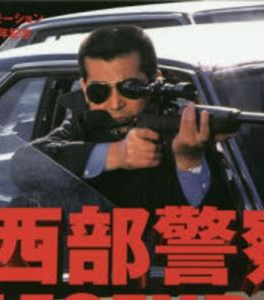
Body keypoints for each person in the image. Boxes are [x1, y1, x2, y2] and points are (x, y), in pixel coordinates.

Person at [12, 25, 230, 209]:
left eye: (130, 88)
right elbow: (24, 164)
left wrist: (188, 160)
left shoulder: (184, 128)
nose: (116, 104)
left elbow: (211, 220)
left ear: (155, 81)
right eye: (99, 91)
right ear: (84, 88)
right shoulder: (84, 123)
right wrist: (116, 154)